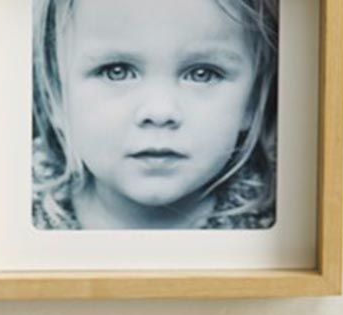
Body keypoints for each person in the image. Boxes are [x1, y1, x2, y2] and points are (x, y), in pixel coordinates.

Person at [32, 0, 278, 230]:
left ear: (252, 98)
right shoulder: (14, 205)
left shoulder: (284, 214)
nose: (160, 112)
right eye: (116, 71)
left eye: (202, 74)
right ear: (57, 96)